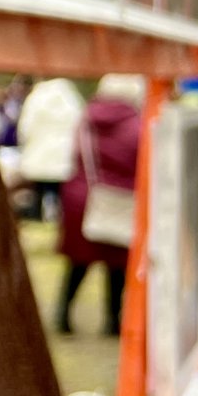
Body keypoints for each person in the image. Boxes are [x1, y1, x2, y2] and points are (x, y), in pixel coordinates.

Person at [57, 74, 143, 336]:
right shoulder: (137, 125)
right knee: (116, 265)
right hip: (119, 200)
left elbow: (74, 154)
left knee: (78, 263)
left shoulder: (85, 120)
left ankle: (63, 313)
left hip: (82, 197)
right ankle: (112, 320)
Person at [18, 76, 84, 223]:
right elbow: (79, 126)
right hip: (62, 154)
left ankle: (38, 215)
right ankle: (58, 214)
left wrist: (24, 143)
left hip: (39, 153)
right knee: (58, 189)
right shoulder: (70, 98)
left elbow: (25, 127)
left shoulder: (36, 97)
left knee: (39, 188)